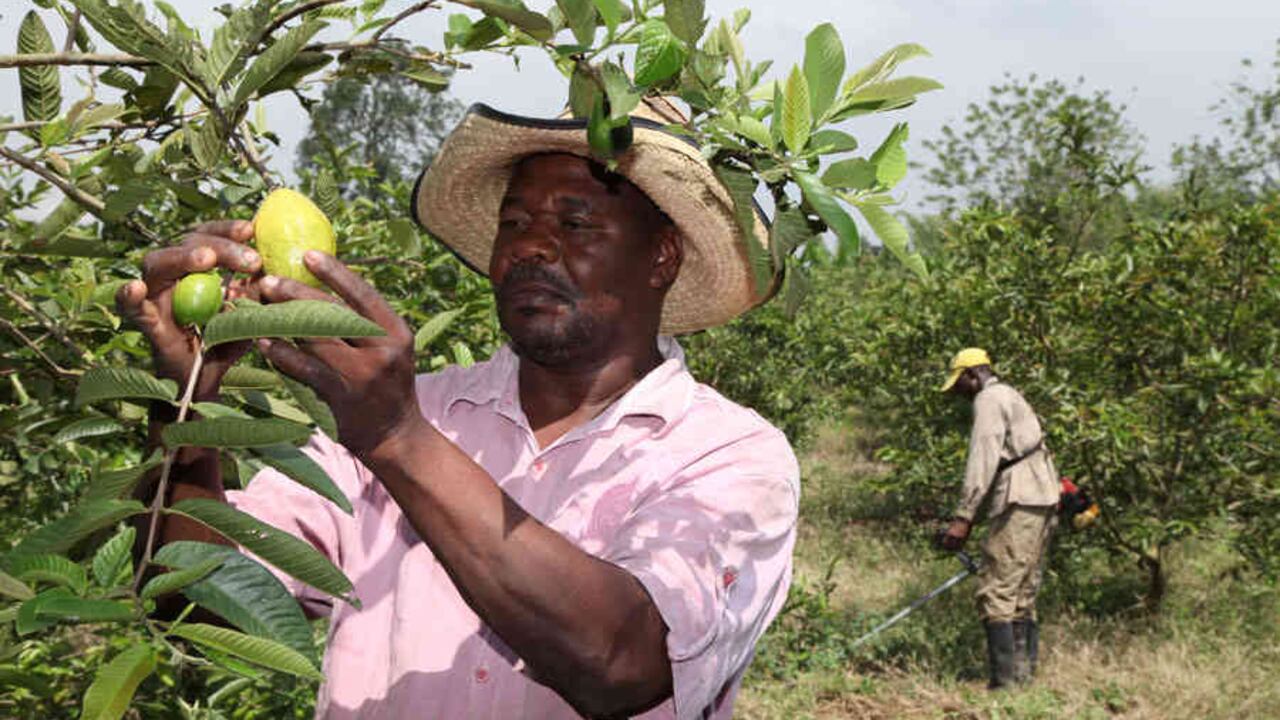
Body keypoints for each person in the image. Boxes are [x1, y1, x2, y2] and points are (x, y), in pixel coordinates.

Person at [117, 98, 800, 719]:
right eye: (515, 222)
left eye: (575, 220)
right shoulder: (410, 410)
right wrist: (187, 400)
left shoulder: (731, 455)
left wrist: (396, 439)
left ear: (662, 256)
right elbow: (193, 600)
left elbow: (620, 664)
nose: (530, 244)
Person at [938, 348, 1058, 689]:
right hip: (1040, 496)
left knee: (997, 590)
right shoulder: (1011, 394)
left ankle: (1004, 685)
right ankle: (1021, 680)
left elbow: (983, 459)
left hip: (1020, 498)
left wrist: (964, 516)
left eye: (959, 383)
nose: (959, 392)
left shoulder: (989, 399)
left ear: (972, 374)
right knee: (1021, 591)